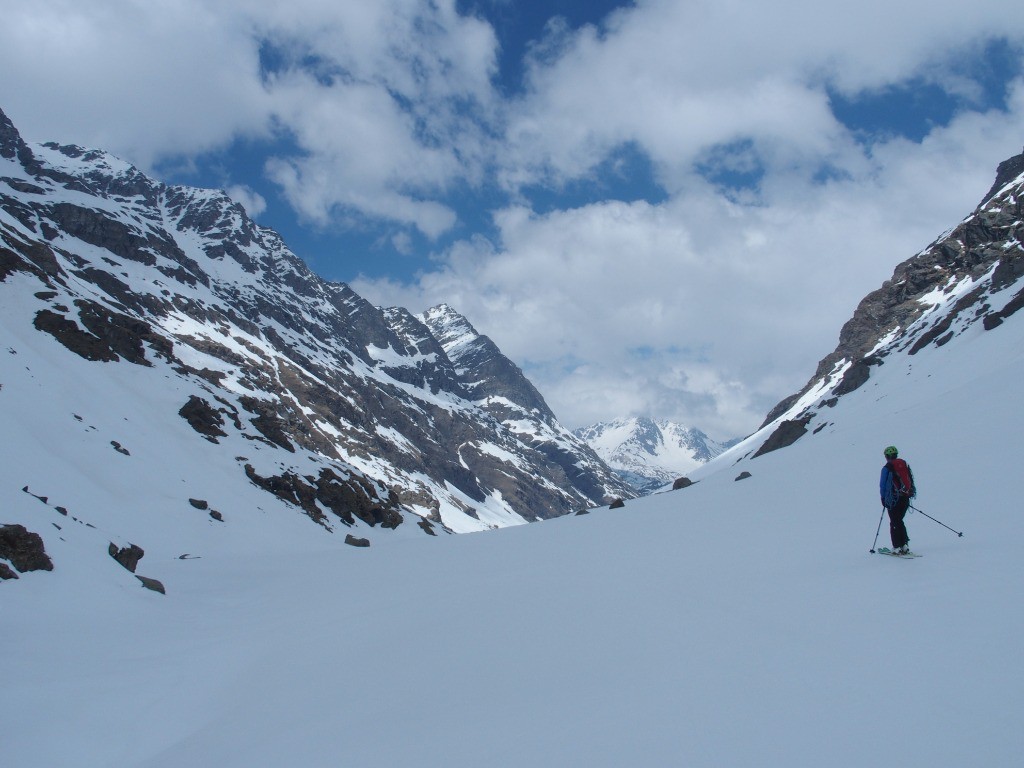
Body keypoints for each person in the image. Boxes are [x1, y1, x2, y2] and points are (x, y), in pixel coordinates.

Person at [880, 445, 914, 554]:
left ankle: (897, 547)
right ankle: (904, 545)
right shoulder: (904, 465)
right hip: (905, 497)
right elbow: (910, 479)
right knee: (899, 520)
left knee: (894, 522)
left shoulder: (887, 468)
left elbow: (882, 485)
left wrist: (883, 498)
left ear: (887, 456)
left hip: (893, 499)